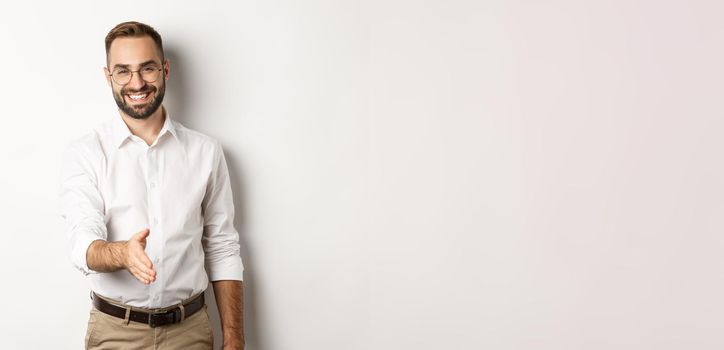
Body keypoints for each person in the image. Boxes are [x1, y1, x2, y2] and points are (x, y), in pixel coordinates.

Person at [59, 21, 244, 349]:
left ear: (165, 70)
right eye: (123, 71)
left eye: (147, 68)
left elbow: (222, 244)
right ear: (108, 77)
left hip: (191, 331)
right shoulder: (86, 152)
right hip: (116, 332)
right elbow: (83, 243)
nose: (137, 82)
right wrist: (122, 254)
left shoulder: (206, 151)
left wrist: (234, 337)